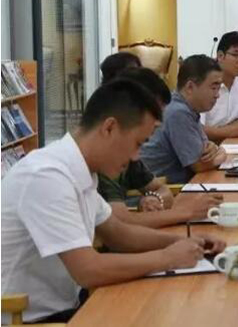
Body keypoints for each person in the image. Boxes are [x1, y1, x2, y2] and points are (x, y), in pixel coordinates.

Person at [1, 80, 226, 323]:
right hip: (27, 319)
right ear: (109, 128)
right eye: (137, 144)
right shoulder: (46, 176)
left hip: (67, 307)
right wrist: (167, 257)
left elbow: (119, 234)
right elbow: (88, 270)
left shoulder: (82, 169)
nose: (136, 157)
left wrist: (186, 242)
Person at [99, 67, 222, 228]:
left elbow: (162, 189)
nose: (159, 123)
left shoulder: (127, 151)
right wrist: (187, 212)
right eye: (154, 116)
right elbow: (121, 224)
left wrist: (154, 198)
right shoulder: (102, 159)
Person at [140, 55, 227, 184]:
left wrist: (215, 149)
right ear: (190, 87)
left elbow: (206, 149)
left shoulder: (185, 107)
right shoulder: (178, 112)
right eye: (214, 88)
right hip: (163, 191)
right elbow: (199, 165)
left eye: (219, 88)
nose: (217, 95)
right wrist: (222, 154)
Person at [202, 31, 238, 141]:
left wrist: (232, 130)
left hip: (229, 143)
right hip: (206, 146)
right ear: (220, 56)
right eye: (236, 55)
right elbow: (196, 129)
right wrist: (230, 131)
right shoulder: (204, 83)